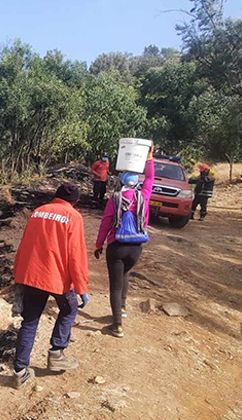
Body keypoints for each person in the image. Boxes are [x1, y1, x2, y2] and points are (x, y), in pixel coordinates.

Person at [12, 183, 89, 388]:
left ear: (55, 196)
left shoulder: (38, 212)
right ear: (75, 202)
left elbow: (25, 244)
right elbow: (76, 255)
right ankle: (56, 352)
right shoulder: (73, 217)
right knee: (69, 308)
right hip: (56, 278)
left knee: (29, 321)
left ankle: (20, 371)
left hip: (32, 274)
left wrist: (18, 274)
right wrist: (81, 287)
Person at [94, 149, 154, 338]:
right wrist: (150, 157)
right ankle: (123, 307)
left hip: (117, 246)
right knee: (126, 274)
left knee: (115, 285)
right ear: (136, 182)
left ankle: (117, 325)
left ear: (120, 181)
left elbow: (105, 222)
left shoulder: (115, 198)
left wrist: (98, 244)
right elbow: (151, 179)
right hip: (136, 247)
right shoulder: (143, 196)